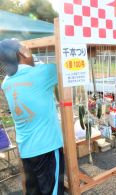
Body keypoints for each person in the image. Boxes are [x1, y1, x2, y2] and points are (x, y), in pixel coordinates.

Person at [0, 39, 64, 195]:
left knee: (33, 191)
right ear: (23, 52)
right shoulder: (41, 73)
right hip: (47, 147)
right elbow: (68, 68)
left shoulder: (7, 82)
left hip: (26, 149)